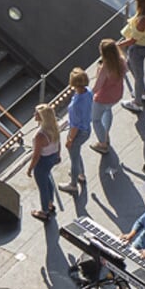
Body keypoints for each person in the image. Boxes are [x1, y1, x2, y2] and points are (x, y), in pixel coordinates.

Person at [118, 0, 145, 114]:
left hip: (138, 49)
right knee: (131, 66)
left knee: (138, 74)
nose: (135, 0)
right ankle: (142, 92)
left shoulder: (142, 21)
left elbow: (133, 40)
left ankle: (137, 103)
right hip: (143, 46)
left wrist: (117, 45)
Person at [88, 39, 126, 155]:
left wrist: (86, 95)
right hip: (116, 94)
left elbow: (97, 87)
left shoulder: (105, 67)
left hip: (103, 97)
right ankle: (106, 133)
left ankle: (102, 144)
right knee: (108, 111)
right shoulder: (122, 61)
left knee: (96, 120)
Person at [58, 68, 91, 196]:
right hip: (87, 128)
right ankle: (80, 174)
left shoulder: (75, 105)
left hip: (78, 132)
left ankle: (73, 184)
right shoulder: (88, 93)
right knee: (77, 154)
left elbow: (74, 126)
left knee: (74, 158)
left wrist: (69, 140)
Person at [28, 103, 60, 222]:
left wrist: (30, 168)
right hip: (52, 157)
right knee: (48, 180)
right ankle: (50, 203)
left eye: (36, 113)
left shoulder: (40, 135)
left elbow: (36, 155)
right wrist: (58, 154)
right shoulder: (54, 127)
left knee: (43, 187)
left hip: (43, 161)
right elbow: (58, 142)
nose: (34, 115)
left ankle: (44, 211)